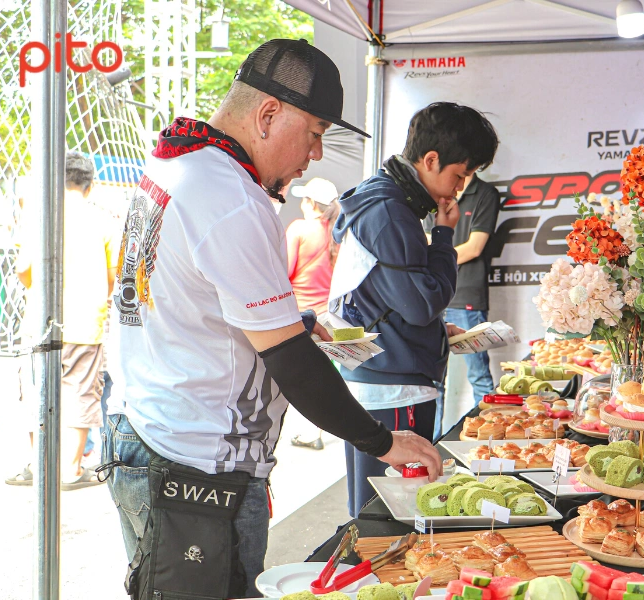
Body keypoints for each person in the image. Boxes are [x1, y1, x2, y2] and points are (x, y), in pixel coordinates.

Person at [101, 39, 441, 599]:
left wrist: (297, 323)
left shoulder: (180, 163)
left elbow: (201, 299)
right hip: (191, 465)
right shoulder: (229, 197)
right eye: (313, 134)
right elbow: (291, 365)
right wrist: (381, 442)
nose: (315, 155)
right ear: (267, 115)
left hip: (159, 435)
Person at [332, 101, 499, 517]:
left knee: (375, 509)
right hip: (395, 386)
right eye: (458, 175)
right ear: (430, 160)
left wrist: (435, 330)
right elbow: (424, 304)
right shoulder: (391, 211)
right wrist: (444, 235)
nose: (459, 188)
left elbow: (397, 298)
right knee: (392, 514)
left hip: (382, 376)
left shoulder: (385, 201)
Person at [8, 151, 116, 490]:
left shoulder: (40, 216)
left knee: (36, 392)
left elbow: (23, 269)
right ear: (88, 184)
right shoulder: (103, 220)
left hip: (41, 322)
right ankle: (70, 470)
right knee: (82, 392)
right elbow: (113, 277)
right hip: (86, 323)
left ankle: (36, 466)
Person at [425, 172, 501, 435]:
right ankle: (430, 446)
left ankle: (489, 444)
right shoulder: (436, 192)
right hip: (432, 297)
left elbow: (474, 247)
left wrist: (437, 258)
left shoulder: (485, 193)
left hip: (466, 296)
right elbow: (421, 240)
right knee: (433, 381)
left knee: (479, 375)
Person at [285, 177, 341, 450]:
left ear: (310, 203)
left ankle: (308, 432)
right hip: (329, 317)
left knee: (300, 377)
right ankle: (318, 428)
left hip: (301, 318)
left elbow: (283, 274)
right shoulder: (337, 234)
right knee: (323, 375)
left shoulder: (299, 229)